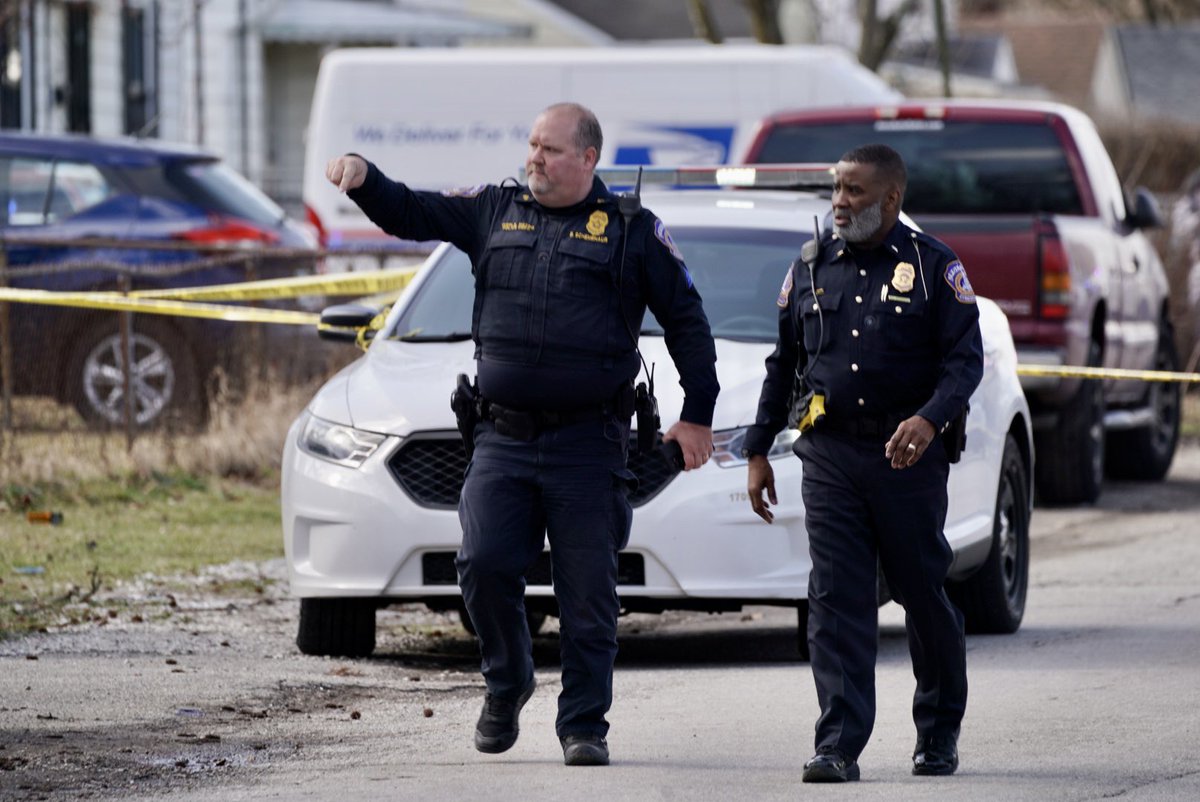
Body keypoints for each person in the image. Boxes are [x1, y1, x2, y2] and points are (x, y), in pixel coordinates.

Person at [326, 102, 718, 767]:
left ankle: (584, 725)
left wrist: (698, 414)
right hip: (502, 440)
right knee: (482, 566)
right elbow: (411, 212)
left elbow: (686, 322)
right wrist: (365, 177)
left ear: (588, 160)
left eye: (550, 149)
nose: (534, 157)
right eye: (532, 145)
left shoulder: (631, 229)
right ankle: (507, 681)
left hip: (589, 445)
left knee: (587, 594)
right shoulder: (493, 209)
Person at [742, 144, 983, 782]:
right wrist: (759, 447)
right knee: (836, 597)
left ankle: (937, 733)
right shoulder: (812, 265)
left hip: (906, 456)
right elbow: (784, 364)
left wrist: (930, 418)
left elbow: (965, 363)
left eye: (854, 191)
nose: (840, 202)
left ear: (891, 198)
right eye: (837, 189)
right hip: (830, 453)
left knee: (920, 591)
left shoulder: (935, 267)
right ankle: (838, 745)